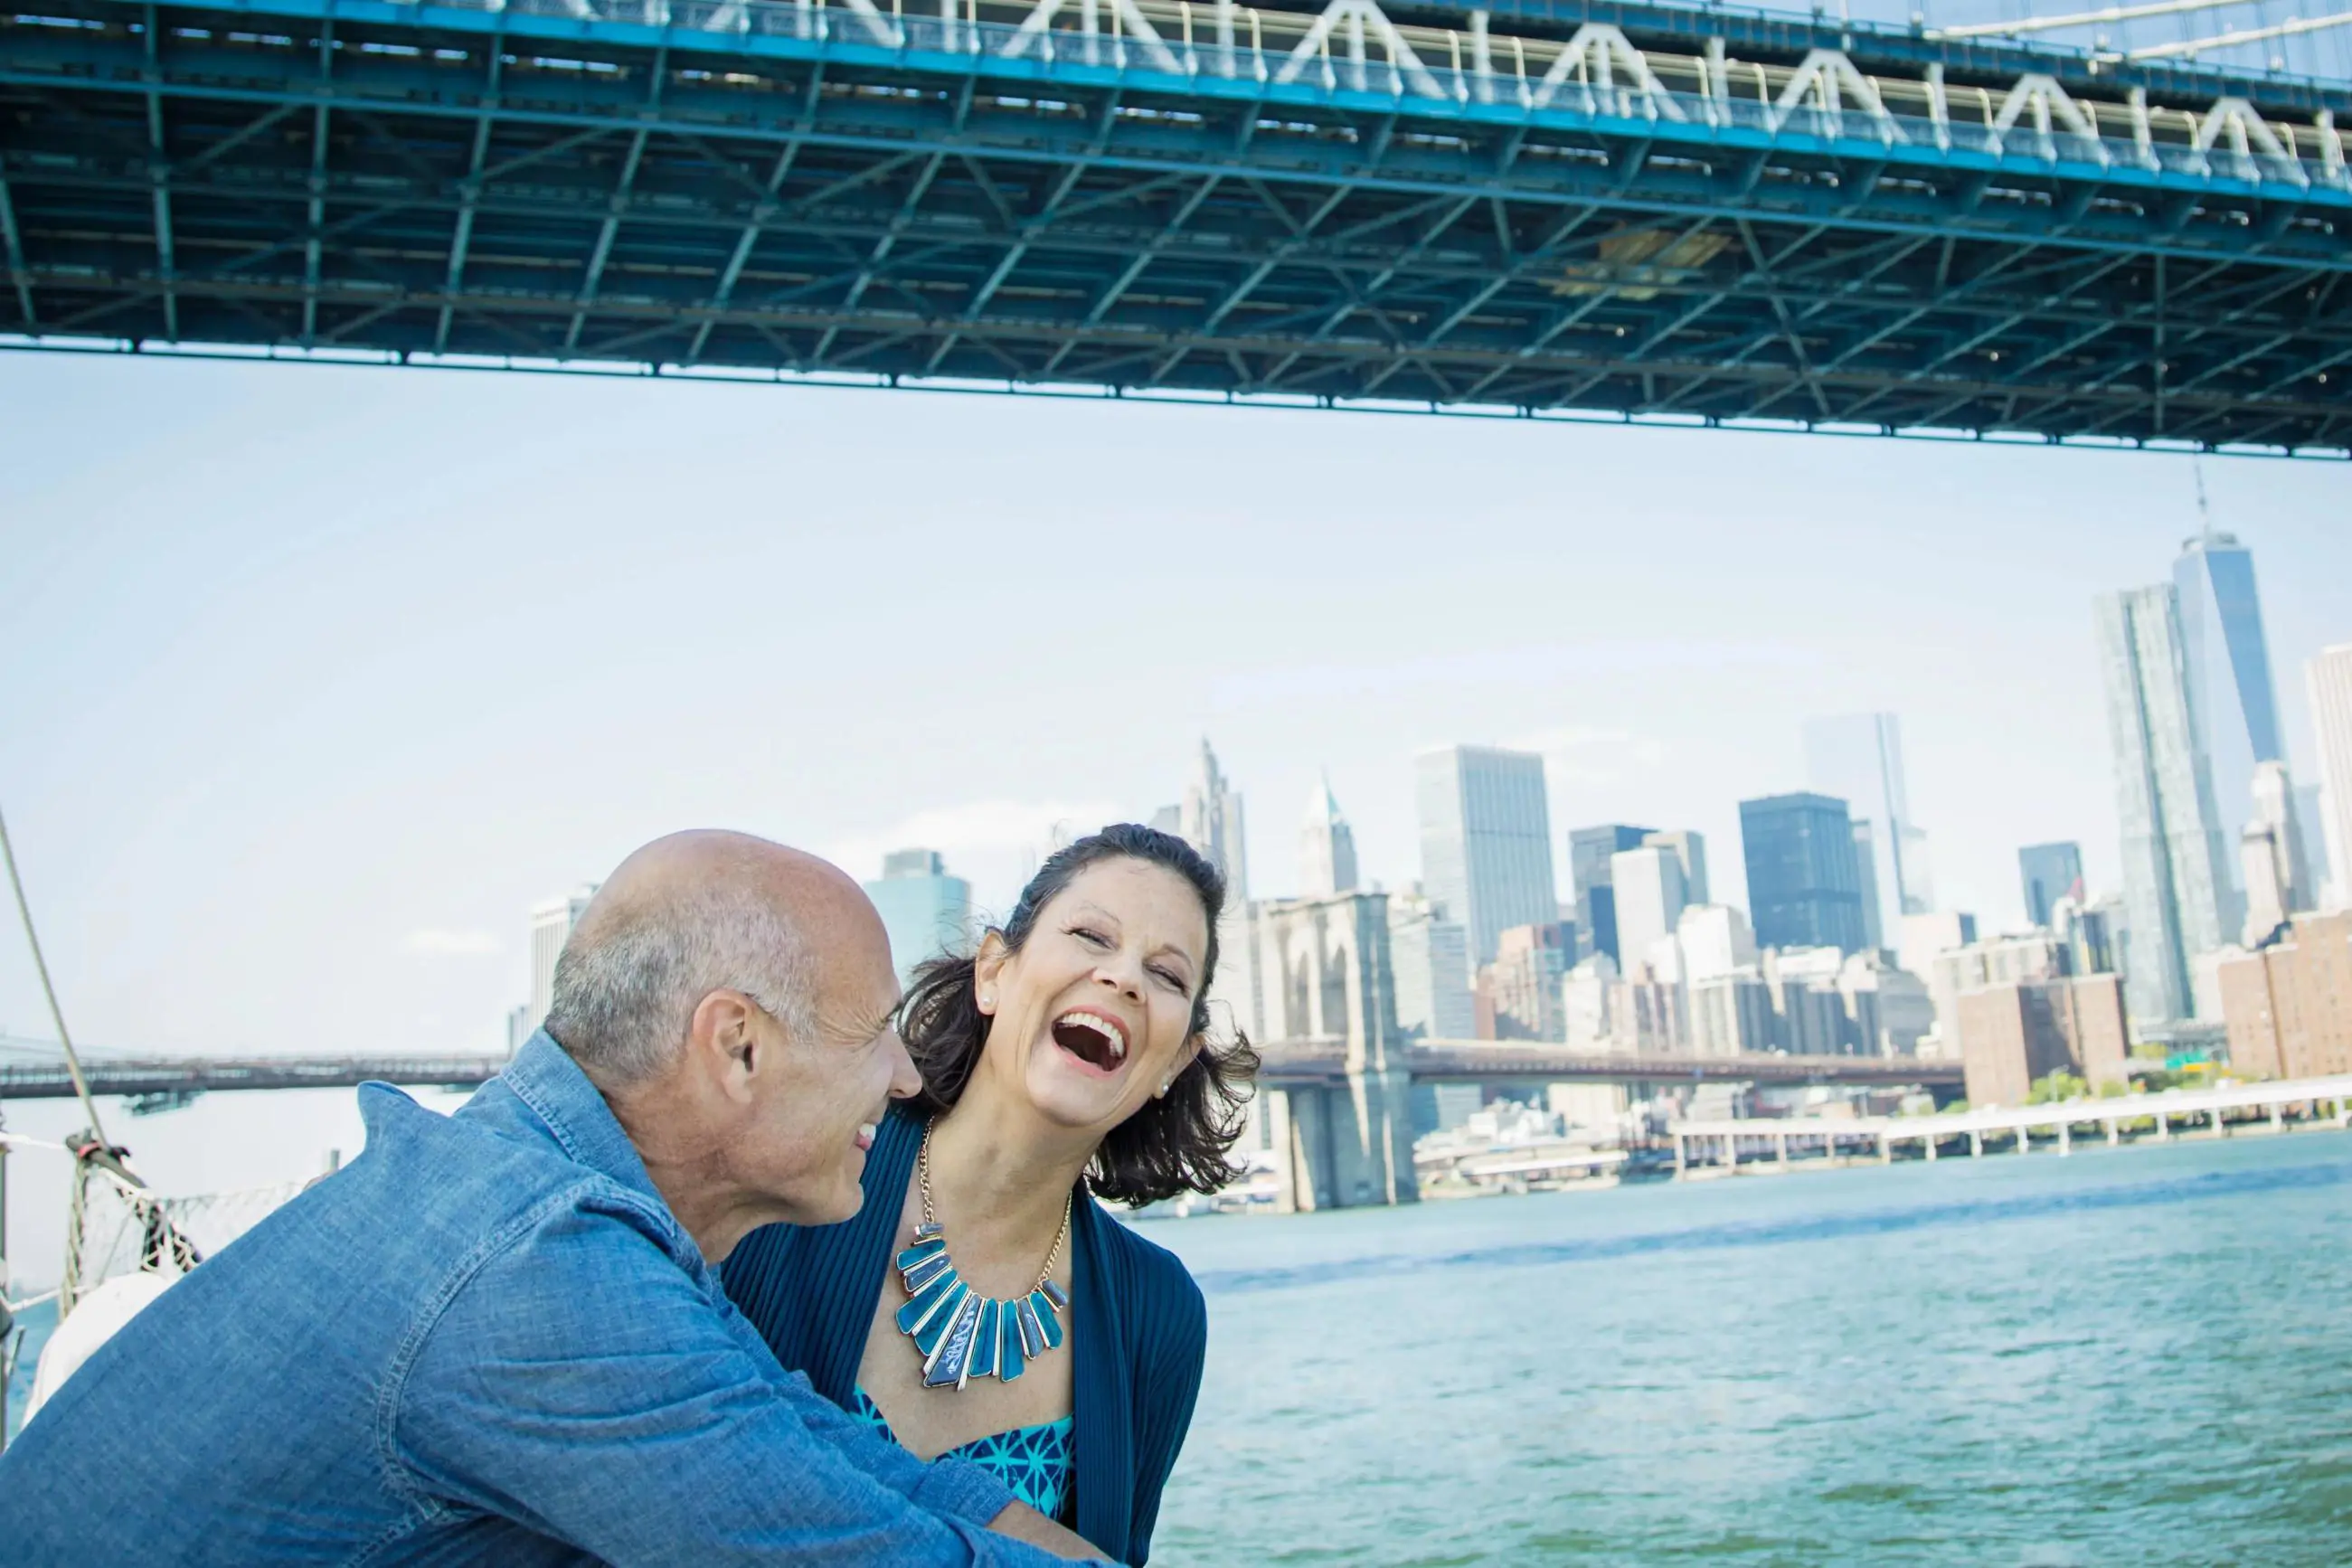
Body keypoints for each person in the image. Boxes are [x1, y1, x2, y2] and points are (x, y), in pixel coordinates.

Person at [0, 831, 1100, 1564]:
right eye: (874, 1039)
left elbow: (824, 1455)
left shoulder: (552, 1202)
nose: (906, 1080)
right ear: (738, 1048)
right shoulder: (537, 1273)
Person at [724, 824, 1259, 1566]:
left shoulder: (1158, 1314)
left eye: (1167, 976)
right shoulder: (793, 1171)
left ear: (1177, 1059)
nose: (1124, 979)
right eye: (1089, 935)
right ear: (993, 974)